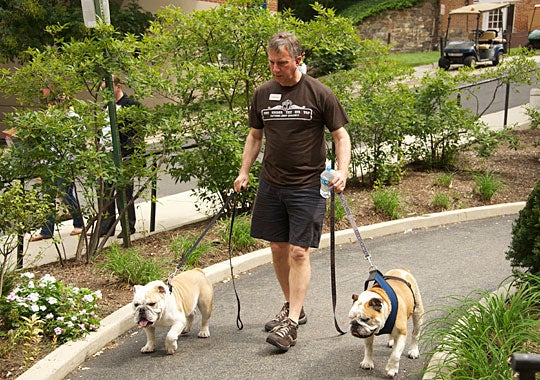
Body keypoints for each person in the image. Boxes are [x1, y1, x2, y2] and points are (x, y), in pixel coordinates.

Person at [233, 31, 351, 351]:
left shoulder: (319, 93)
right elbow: (255, 136)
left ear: (297, 60)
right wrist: (244, 172)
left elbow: (340, 136)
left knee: (300, 251)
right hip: (272, 184)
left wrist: (342, 171)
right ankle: (292, 307)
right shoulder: (262, 94)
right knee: (277, 248)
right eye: (271, 63)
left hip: (309, 185)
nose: (275, 69)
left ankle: (291, 323)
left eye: (281, 63)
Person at [30, 88, 84, 242]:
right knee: (47, 196)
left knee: (66, 194)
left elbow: (78, 140)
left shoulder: (73, 118)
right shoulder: (48, 116)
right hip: (48, 162)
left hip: (64, 162)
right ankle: (46, 230)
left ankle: (79, 223)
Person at [98, 75, 140, 238]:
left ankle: (128, 225)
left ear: (118, 86)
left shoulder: (131, 106)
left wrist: (125, 152)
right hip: (106, 156)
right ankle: (107, 226)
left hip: (124, 156)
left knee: (124, 192)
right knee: (106, 192)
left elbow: (135, 134)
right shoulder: (105, 109)